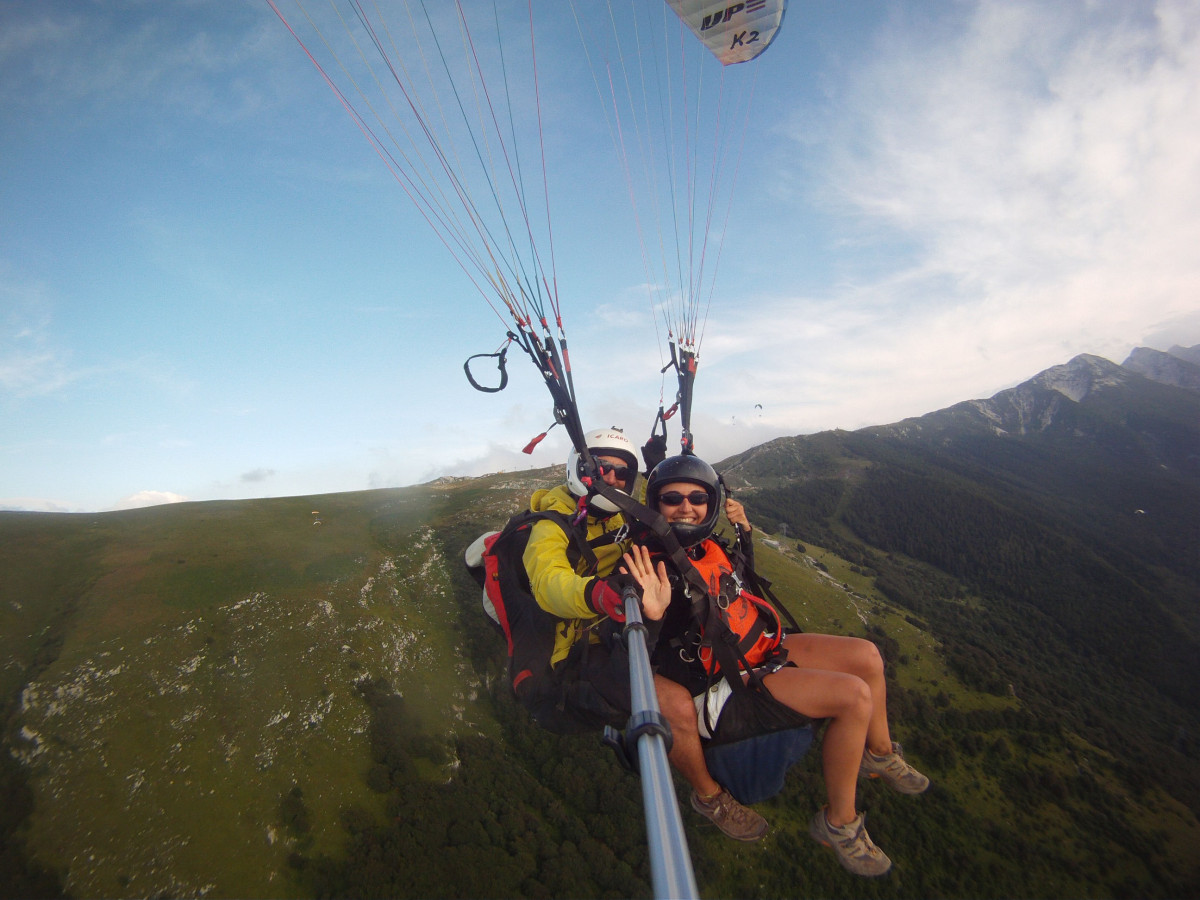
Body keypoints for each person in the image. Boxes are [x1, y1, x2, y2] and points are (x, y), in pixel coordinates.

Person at [625, 454, 931, 877]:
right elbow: (648, 650)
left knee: (868, 657)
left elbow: (739, 579)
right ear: (654, 505)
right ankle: (840, 824)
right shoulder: (652, 564)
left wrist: (744, 530)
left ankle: (878, 753)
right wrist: (652, 614)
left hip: (759, 648)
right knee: (854, 696)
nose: (686, 507)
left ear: (712, 503)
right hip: (725, 680)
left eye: (698, 497)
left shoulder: (706, 546)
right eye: (671, 498)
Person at [521, 427, 768, 840]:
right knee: (674, 703)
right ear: (576, 467)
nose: (611, 479)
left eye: (622, 472)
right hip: (580, 649)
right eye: (599, 468)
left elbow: (663, 512)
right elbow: (549, 584)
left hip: (620, 624)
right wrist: (603, 596)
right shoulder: (552, 524)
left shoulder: (618, 512)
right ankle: (709, 797)